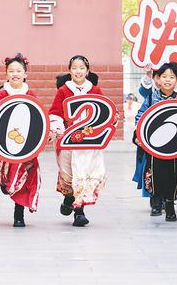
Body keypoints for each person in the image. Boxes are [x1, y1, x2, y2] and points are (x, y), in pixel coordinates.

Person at [0, 53, 41, 227]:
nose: (15, 74)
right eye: (11, 71)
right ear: (6, 74)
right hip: (6, 143)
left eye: (19, 71)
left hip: (25, 144)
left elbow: (38, 117)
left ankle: (18, 213)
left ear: (25, 74)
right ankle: (6, 181)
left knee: (23, 174)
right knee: (9, 173)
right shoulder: (2, 94)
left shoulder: (30, 94)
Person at [49, 55, 107, 227]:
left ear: (87, 71)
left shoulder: (95, 90)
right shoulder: (63, 91)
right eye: (74, 68)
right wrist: (57, 128)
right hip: (68, 140)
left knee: (83, 174)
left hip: (88, 141)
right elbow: (55, 112)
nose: (78, 71)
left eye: (81, 68)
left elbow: (105, 111)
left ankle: (79, 212)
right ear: (69, 70)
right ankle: (68, 197)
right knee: (68, 174)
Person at [133, 62, 177, 222]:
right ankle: (156, 202)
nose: (167, 80)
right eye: (164, 76)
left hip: (173, 145)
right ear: (157, 79)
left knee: (174, 173)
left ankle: (170, 205)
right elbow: (140, 117)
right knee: (154, 172)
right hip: (154, 145)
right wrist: (139, 134)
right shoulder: (151, 97)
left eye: (172, 77)